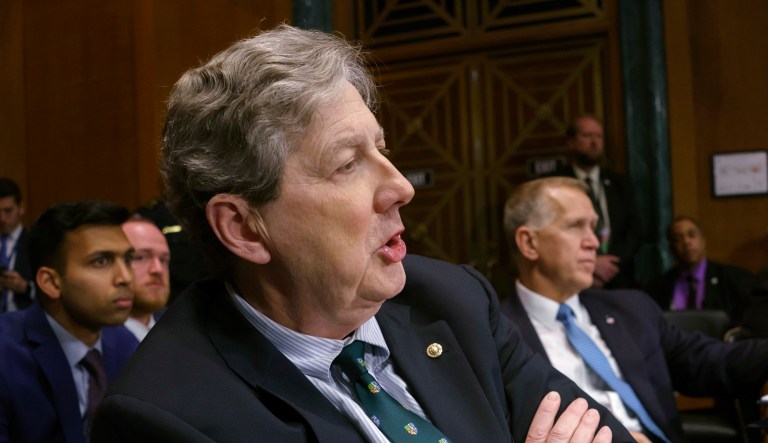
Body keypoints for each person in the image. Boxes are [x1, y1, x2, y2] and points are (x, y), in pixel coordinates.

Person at [92, 25, 634, 443]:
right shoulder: (167, 416)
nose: (400, 187)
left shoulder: (454, 301)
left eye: (383, 149)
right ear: (243, 228)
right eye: (348, 164)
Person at [499, 177, 768, 443]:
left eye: (594, 228)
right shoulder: (494, 336)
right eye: (575, 226)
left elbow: (712, 361)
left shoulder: (631, 308)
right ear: (529, 243)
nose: (593, 242)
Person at [0, 200, 139, 443]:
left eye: (127, 259)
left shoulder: (126, 344)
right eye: (101, 261)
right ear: (51, 283)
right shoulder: (5, 353)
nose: (126, 277)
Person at [546, 115, 642, 289]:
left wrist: (610, 264)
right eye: (587, 136)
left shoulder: (620, 183)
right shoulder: (555, 184)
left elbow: (635, 230)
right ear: (571, 142)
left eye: (599, 136)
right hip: (571, 280)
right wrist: (592, 262)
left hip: (619, 279)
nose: (594, 142)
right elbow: (552, 230)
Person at [645, 215, 757, 326]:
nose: (686, 242)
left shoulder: (732, 278)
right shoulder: (658, 287)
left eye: (691, 235)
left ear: (703, 240)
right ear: (671, 248)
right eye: (677, 239)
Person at [121, 215, 171, 341]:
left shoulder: (184, 328)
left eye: (163, 259)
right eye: (141, 257)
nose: (158, 269)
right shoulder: (93, 341)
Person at [0, 177, 34, 312]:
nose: (1, 218)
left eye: (8, 211)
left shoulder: (34, 242)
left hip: (24, 322)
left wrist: (25, 287)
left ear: (21, 208)